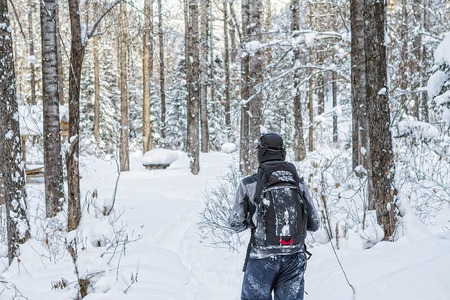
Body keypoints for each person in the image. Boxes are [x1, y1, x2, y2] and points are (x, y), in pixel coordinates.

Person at [229, 133, 320, 300]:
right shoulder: (298, 183)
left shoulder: (249, 184)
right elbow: (315, 224)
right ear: (282, 152)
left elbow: (235, 223)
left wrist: (254, 218)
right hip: (294, 256)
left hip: (262, 258)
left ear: (261, 153)